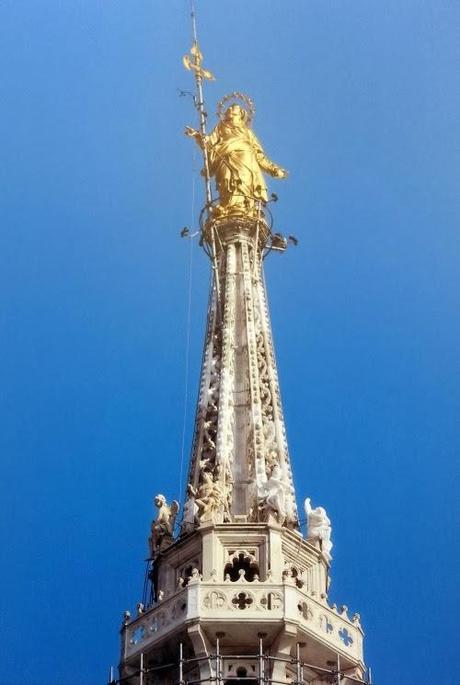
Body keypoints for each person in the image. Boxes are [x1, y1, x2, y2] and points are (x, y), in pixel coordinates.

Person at [185, 104, 288, 214]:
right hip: (225, 157)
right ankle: (228, 208)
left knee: (243, 183)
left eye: (233, 108)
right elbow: (209, 142)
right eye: (228, 108)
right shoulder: (221, 126)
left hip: (246, 158)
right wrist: (197, 136)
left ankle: (244, 209)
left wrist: (274, 169)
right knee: (226, 181)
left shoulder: (248, 132)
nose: (229, 109)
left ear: (240, 114)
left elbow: (259, 156)